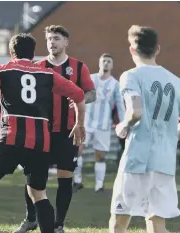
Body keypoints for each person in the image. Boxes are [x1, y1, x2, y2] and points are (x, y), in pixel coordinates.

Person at [0, 33, 86, 233]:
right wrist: (79, 124)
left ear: (11, 52)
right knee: (38, 193)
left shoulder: (2, 71)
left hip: (12, 138)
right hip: (41, 142)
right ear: (33, 53)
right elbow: (79, 95)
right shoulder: (47, 74)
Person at [15, 25, 96, 233]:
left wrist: (80, 98)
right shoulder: (37, 66)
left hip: (68, 131)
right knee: (34, 176)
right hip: (40, 130)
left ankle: (59, 224)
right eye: (50, 39)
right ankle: (30, 218)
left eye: (57, 38)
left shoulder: (78, 67)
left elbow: (91, 94)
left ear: (66, 42)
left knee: (65, 177)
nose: (52, 42)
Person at [109, 25, 180, 233]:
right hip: (165, 162)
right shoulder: (176, 81)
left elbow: (136, 111)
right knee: (157, 223)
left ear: (132, 49)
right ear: (157, 49)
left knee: (119, 220)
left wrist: (123, 125)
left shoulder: (130, 75)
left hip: (138, 160)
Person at [74, 53, 125, 192]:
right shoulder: (90, 79)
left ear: (112, 65)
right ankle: (77, 181)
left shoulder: (115, 84)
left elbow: (120, 105)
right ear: (99, 63)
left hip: (103, 125)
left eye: (109, 61)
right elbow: (80, 96)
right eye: (104, 61)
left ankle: (99, 185)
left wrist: (123, 123)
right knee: (77, 151)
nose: (106, 63)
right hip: (86, 123)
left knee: (100, 156)